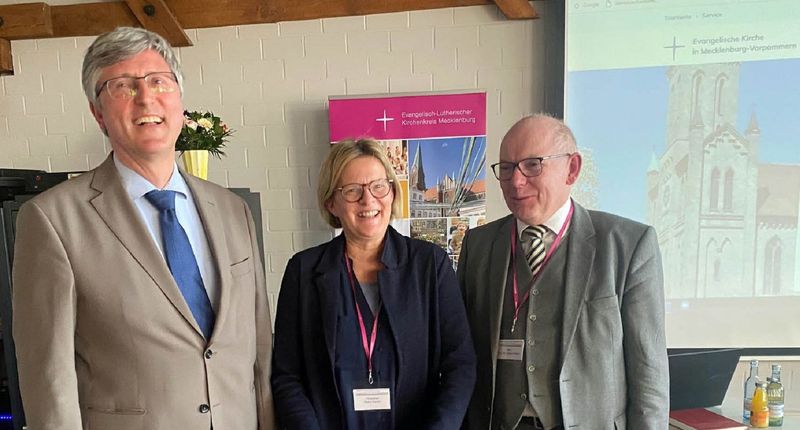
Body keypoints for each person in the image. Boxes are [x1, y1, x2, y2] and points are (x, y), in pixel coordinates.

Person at [12, 27, 275, 429]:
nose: (146, 97)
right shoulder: (52, 220)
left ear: (180, 99)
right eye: (123, 86)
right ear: (98, 113)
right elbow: (49, 377)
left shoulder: (232, 210)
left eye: (159, 81)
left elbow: (259, 347)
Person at [458, 114, 668, 429]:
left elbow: (648, 372)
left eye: (532, 165)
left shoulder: (628, 245)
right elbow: (462, 354)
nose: (516, 182)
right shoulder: (478, 245)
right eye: (507, 168)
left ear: (572, 168)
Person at [271, 139, 476, 429]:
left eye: (379, 186)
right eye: (352, 190)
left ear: (392, 192)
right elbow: (287, 374)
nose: (368, 201)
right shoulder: (303, 271)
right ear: (331, 202)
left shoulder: (431, 264)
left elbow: (460, 363)